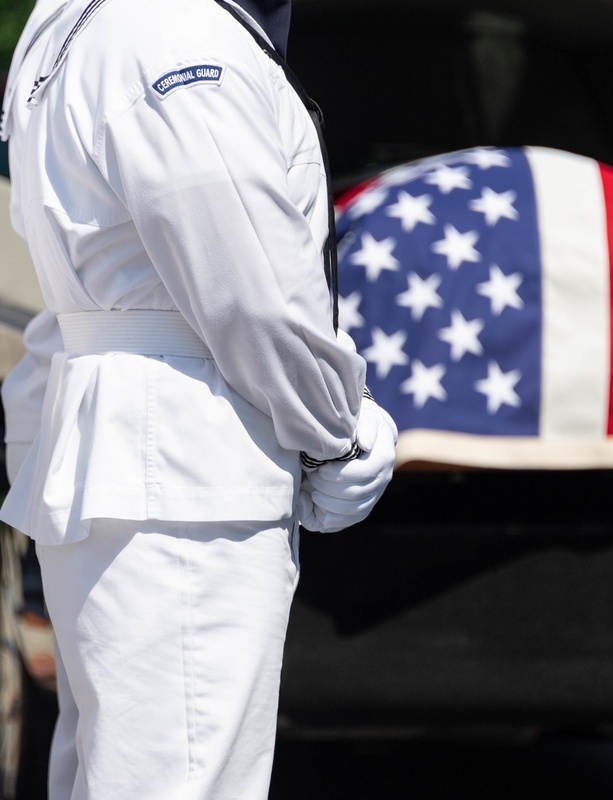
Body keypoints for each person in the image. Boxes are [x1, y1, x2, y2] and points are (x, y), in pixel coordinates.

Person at [0, 0, 397, 796]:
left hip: (123, 462)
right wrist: (339, 432)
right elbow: (255, 296)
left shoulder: (70, 25)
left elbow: (73, 300)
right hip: (183, 468)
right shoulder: (177, 26)